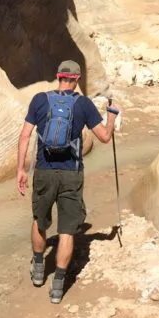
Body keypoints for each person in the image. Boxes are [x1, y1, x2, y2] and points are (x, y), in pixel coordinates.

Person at [16, 60, 120, 304]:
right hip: (71, 174)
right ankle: (58, 286)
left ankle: (39, 269)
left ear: (58, 76)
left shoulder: (39, 100)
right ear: (76, 79)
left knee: (39, 220)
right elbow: (104, 137)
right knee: (66, 231)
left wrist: (21, 169)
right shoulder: (83, 104)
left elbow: (24, 136)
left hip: (43, 171)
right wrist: (112, 116)